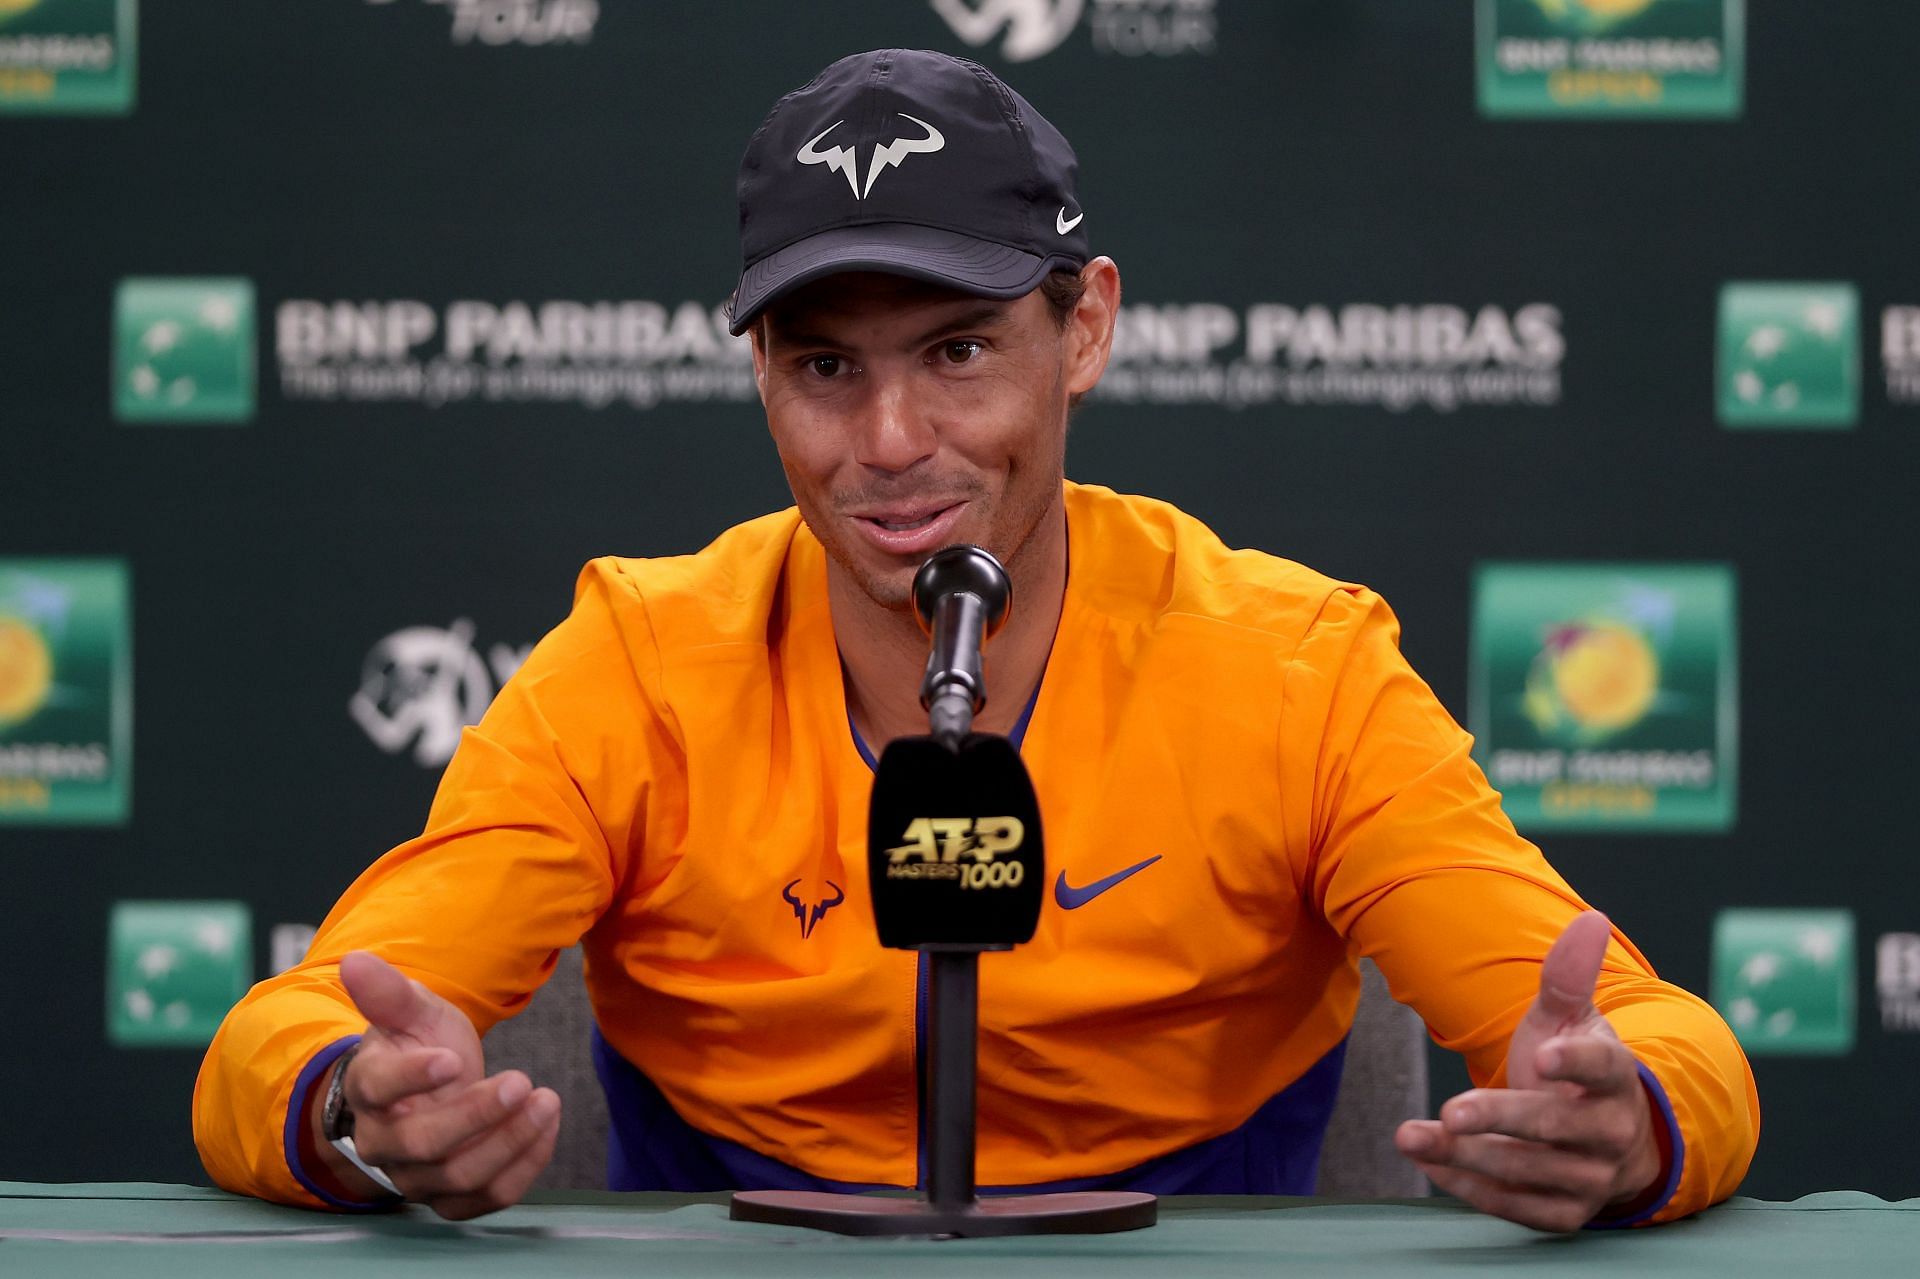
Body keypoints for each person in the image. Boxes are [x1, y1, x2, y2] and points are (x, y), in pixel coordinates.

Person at [194, 48, 1758, 1233]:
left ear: (1083, 330)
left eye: (958, 353)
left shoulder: (1295, 666)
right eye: (822, 367)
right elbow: (285, 1038)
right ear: (758, 376)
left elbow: (1660, 1041)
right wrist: (356, 1113)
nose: (889, 442)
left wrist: (1627, 1126)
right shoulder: (639, 664)